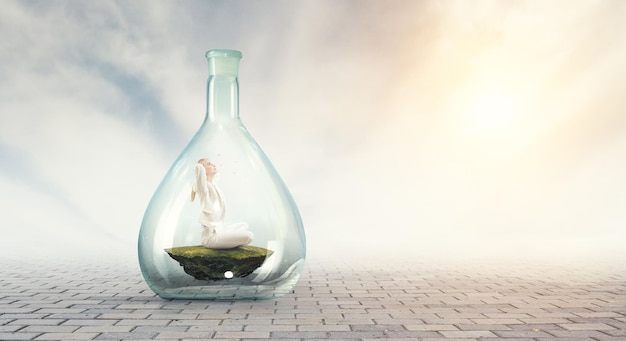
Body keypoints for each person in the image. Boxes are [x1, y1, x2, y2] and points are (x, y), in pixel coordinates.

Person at [191, 159, 253, 249]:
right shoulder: (203, 187)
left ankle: (227, 239)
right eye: (209, 164)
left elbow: (216, 178)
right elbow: (199, 179)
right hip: (210, 237)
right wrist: (199, 166)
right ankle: (225, 242)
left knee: (244, 225)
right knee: (249, 236)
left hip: (220, 230)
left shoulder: (214, 186)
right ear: (202, 169)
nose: (213, 164)